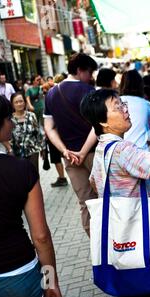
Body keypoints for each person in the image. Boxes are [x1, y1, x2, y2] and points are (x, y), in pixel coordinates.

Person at [79, 88, 150, 297]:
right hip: (143, 234)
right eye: (117, 106)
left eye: (123, 103)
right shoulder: (121, 149)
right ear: (103, 122)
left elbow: (94, 182)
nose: (125, 109)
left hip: (123, 235)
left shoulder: (103, 149)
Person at [0, 88, 61, 297]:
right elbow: (41, 237)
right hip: (18, 273)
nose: (12, 124)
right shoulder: (20, 169)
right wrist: (50, 283)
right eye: (8, 119)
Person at [44, 52, 98, 237]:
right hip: (94, 153)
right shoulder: (88, 91)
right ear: (79, 70)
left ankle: (95, 246)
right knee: (106, 197)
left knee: (85, 202)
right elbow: (98, 125)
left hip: (70, 158)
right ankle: (114, 243)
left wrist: (64, 150)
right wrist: (83, 151)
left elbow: (49, 128)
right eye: (89, 72)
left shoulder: (51, 93)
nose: (90, 77)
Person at [119, 69, 150, 152]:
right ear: (141, 85)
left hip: (122, 152)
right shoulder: (144, 103)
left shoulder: (116, 102)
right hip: (141, 153)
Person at [9, 92, 43, 171]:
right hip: (17, 152)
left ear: (24, 102)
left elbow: (38, 133)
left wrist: (42, 148)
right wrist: (9, 150)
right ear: (12, 105)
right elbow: (7, 137)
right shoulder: (10, 119)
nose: (19, 104)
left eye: (21, 101)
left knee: (34, 174)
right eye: (16, 102)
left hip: (33, 150)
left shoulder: (31, 115)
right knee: (22, 175)